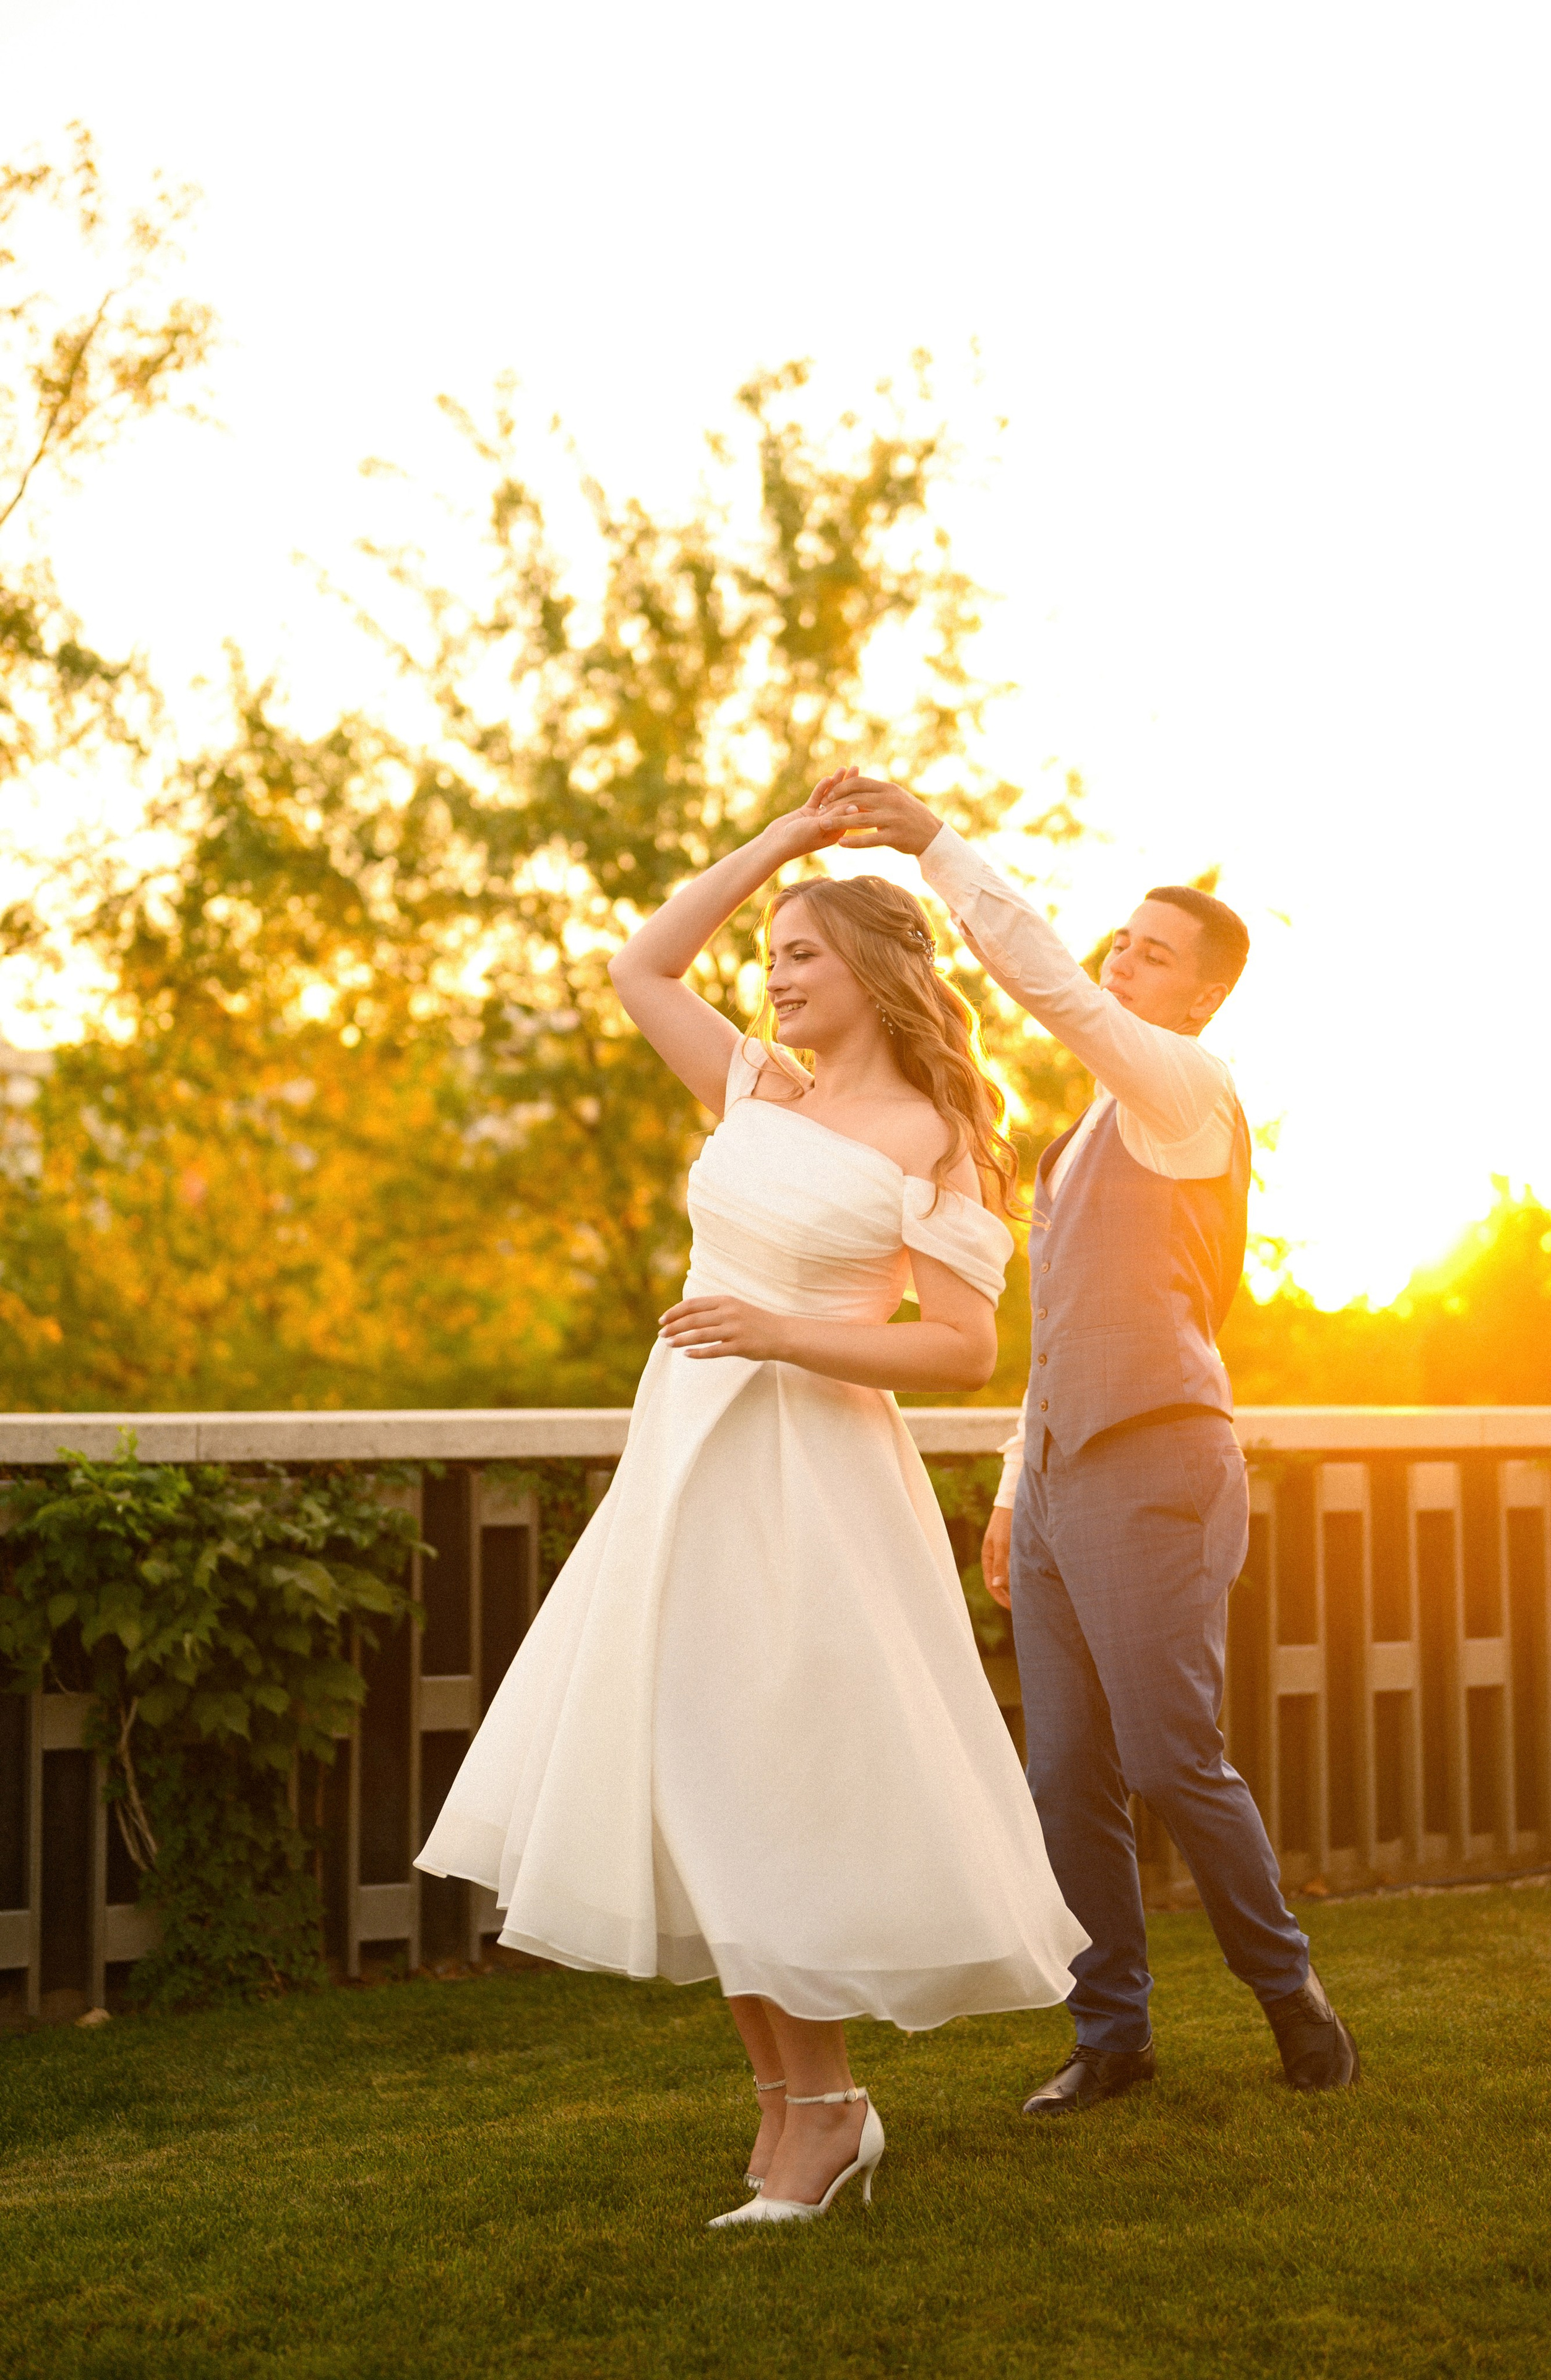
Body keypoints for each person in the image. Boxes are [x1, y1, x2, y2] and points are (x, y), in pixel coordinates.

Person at [415, 784, 1088, 2226]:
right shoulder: (749, 1083)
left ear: (879, 973)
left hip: (814, 1479)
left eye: (803, 954)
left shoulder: (938, 1134)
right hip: (685, 1463)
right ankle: (792, 2102)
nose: (774, 974)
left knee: (773, 1775)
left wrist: (779, 1332)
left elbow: (963, 1350)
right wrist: (784, 843)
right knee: (692, 1768)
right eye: (773, 951)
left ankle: (829, 2104)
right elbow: (638, 964)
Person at [814, 769, 1359, 2109]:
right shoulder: (1074, 1146)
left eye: (1152, 953)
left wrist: (934, 844)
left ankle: (1290, 1995)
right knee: (1062, 1771)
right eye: (1121, 937)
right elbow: (1051, 1334)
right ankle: (1109, 2033)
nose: (1121, 959)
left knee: (1171, 1753)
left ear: (1200, 997)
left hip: (1159, 1460)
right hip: (1058, 1482)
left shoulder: (1183, 1094)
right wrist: (1012, 1489)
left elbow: (1045, 983)